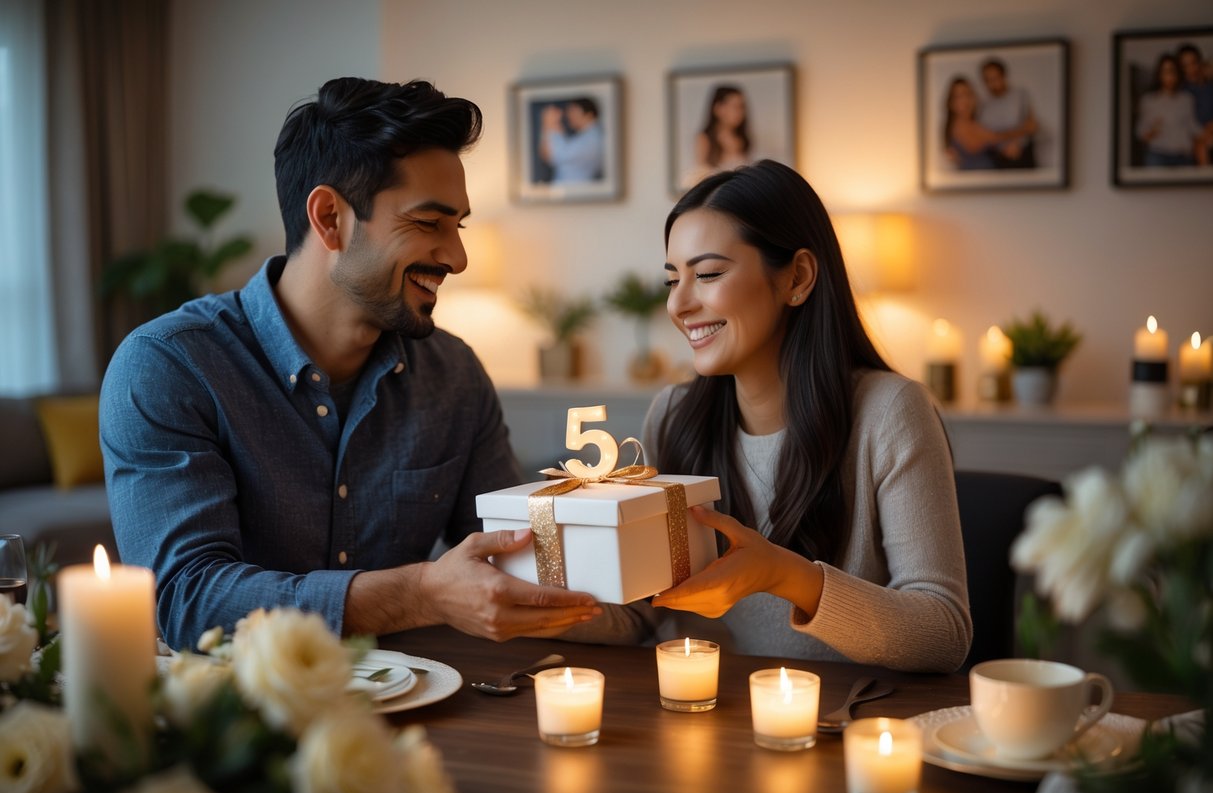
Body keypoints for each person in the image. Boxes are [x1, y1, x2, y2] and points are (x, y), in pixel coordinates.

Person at [100, 78, 602, 650]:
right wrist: (419, 594)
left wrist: (646, 542)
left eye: (456, 226)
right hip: (230, 724)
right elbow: (186, 600)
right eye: (427, 223)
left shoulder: (453, 373)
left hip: (420, 713)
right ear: (329, 218)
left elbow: (512, 553)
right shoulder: (171, 367)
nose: (457, 257)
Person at [568, 160, 972, 673]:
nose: (680, 304)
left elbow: (944, 634)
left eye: (709, 274)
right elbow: (645, 615)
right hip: (693, 721)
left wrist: (784, 575)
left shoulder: (889, 413)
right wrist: (546, 608)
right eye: (673, 280)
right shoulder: (671, 415)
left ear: (797, 278)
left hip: (837, 726)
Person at [942, 76, 1033, 171]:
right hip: (974, 181)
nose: (965, 101)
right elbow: (994, 137)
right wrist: (1025, 129)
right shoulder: (958, 126)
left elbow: (994, 139)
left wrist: (1007, 147)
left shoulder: (975, 123)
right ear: (951, 103)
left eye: (968, 94)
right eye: (959, 96)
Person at [1135, 53, 1204, 167]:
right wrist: (1152, 131)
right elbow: (1141, 132)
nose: (1169, 76)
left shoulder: (1186, 99)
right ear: (1159, 74)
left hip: (1182, 155)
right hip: (1158, 155)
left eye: (1172, 71)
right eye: (1165, 71)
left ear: (1178, 74)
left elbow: (1192, 125)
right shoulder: (1149, 100)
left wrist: (1206, 134)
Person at [684, 85, 751, 186]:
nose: (740, 113)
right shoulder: (705, 138)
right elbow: (699, 175)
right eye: (735, 107)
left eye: (742, 107)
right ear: (718, 109)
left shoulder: (741, 139)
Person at [978, 58, 1039, 168]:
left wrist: (1016, 142)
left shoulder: (1020, 95)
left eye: (995, 78)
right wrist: (1016, 133)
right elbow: (985, 137)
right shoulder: (984, 106)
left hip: (1022, 153)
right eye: (988, 80)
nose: (992, 84)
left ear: (1003, 76)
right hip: (996, 158)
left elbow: (1032, 126)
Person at [539, 97, 604, 184]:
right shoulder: (587, 136)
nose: (568, 115)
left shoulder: (592, 138)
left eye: (573, 111)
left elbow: (551, 155)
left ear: (589, 114)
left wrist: (548, 124)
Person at [1177, 43, 1213, 165]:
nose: (1191, 69)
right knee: (1200, 146)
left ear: (1199, 62)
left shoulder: (1209, 85)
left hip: (1210, 128)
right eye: (1185, 65)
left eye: (1194, 63)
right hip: (1195, 134)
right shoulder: (1182, 91)